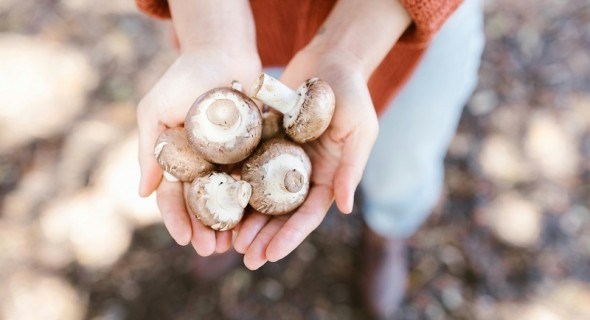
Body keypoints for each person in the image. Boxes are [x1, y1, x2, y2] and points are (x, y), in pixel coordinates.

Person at [135, 0, 484, 317]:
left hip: (407, 27)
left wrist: (345, 51)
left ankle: (388, 230)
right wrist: (210, 38)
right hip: (237, 23)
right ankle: (228, 218)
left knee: (404, 157)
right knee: (252, 101)